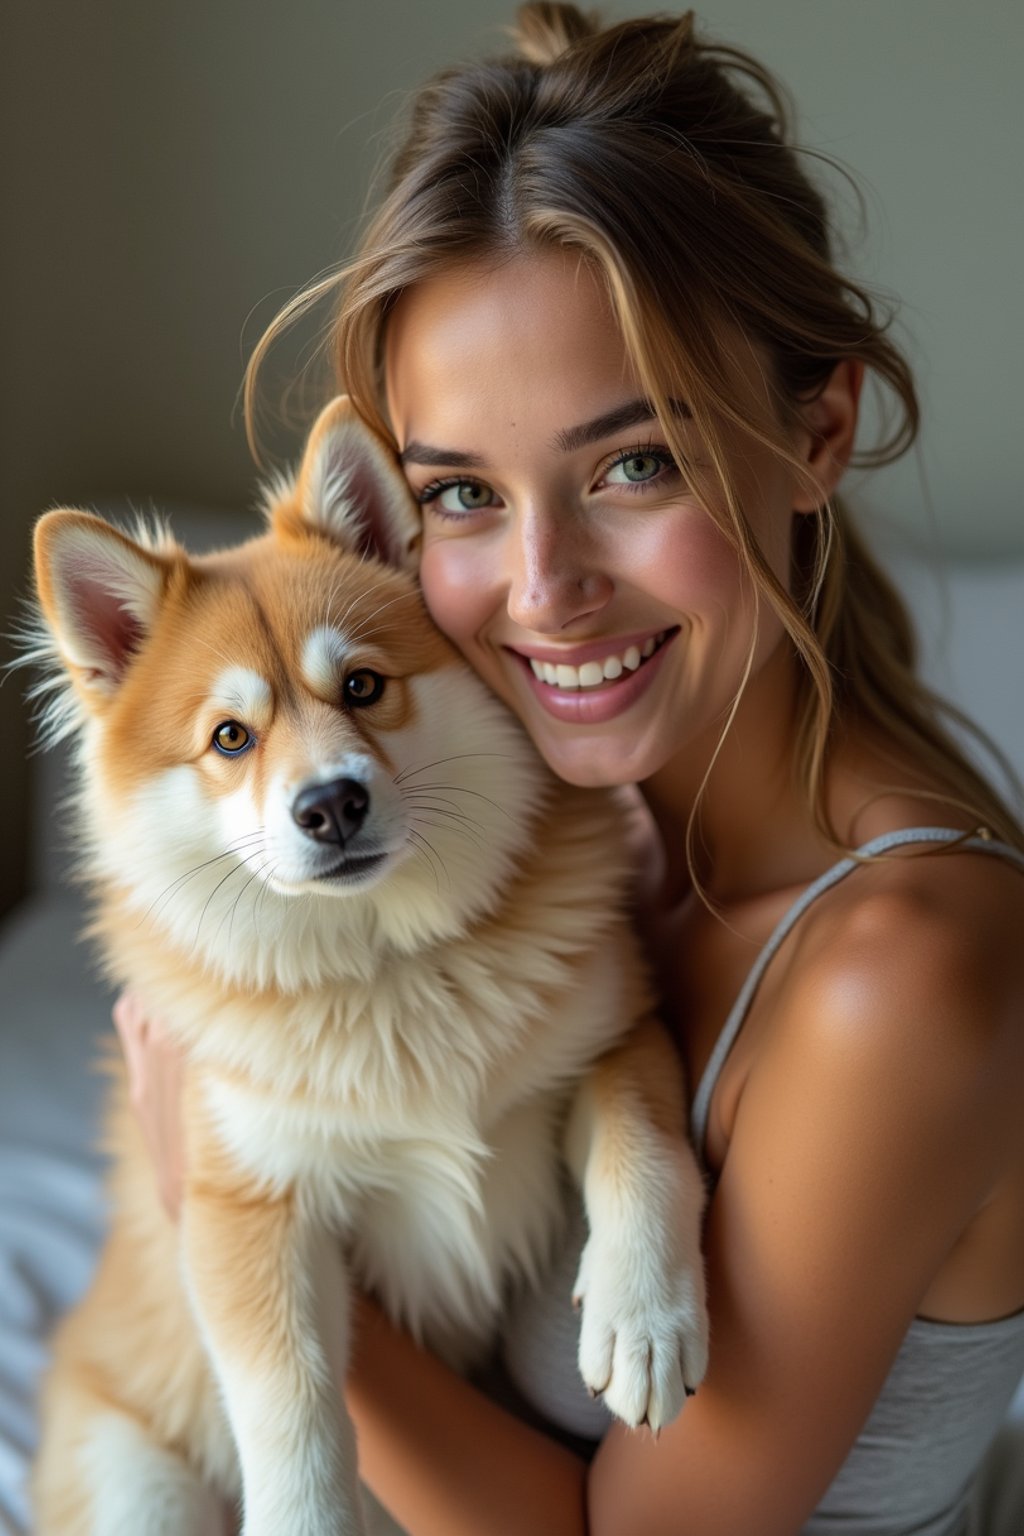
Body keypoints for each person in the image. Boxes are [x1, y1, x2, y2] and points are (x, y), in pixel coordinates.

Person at [115, 5, 1024, 1532]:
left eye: (633, 465)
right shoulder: (572, 843)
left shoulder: (898, 977)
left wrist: (211, 1206)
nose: (543, 587)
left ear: (817, 429)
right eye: (462, 493)